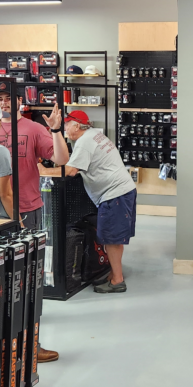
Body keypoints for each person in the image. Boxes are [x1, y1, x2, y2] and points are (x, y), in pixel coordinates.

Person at [63, 110, 137, 293]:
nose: (65, 128)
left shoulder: (84, 142)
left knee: (111, 239)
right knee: (115, 239)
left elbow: (69, 171)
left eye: (67, 124)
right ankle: (115, 273)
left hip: (114, 195)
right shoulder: (95, 135)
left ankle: (117, 281)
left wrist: (39, 169)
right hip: (123, 191)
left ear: (77, 125)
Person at [12, 95, 68, 229]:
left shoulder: (34, 128)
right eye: (0, 99)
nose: (4, 103)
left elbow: (61, 159)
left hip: (26, 207)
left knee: (29, 250)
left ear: (19, 100)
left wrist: (55, 129)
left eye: (9, 97)